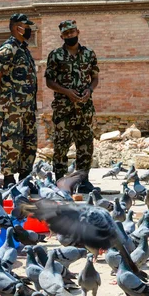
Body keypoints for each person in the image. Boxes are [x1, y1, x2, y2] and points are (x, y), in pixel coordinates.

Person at [45, 19, 99, 193]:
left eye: (72, 32)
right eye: (66, 34)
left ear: (78, 32)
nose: (70, 36)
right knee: (61, 145)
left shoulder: (89, 54)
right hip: (63, 109)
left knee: (85, 145)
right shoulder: (55, 55)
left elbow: (95, 77)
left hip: (84, 108)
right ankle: (61, 181)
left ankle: (83, 181)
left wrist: (90, 90)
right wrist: (66, 92)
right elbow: (49, 81)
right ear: (62, 36)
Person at [0, 13, 38, 188]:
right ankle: (9, 179)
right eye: (26, 26)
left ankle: (25, 179)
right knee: (12, 140)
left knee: (29, 141)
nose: (29, 30)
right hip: (12, 106)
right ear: (17, 28)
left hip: (28, 106)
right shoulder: (8, 49)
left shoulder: (24, 50)